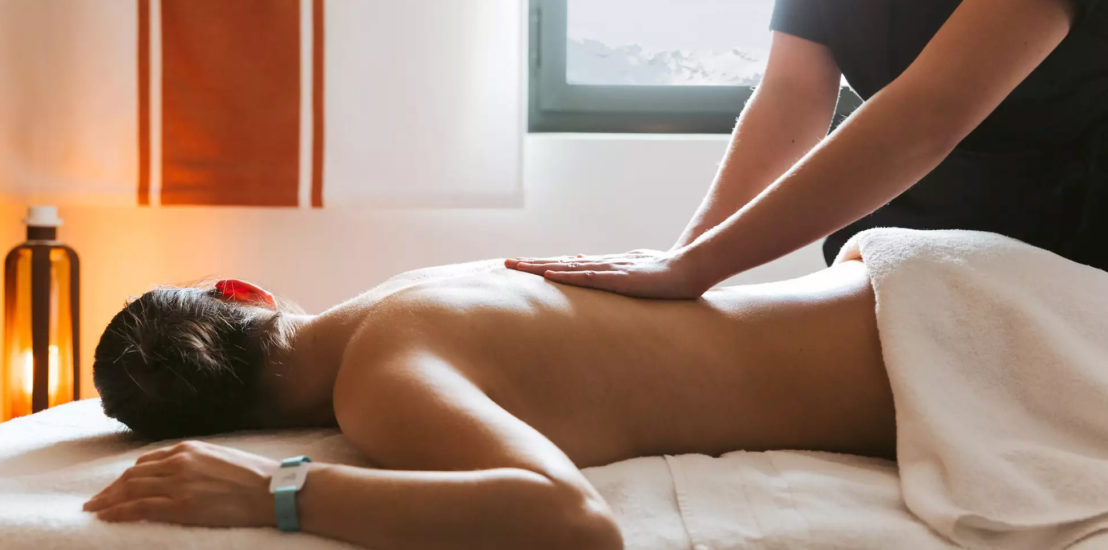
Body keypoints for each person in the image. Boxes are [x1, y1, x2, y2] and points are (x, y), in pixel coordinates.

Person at [84, 256, 892, 549]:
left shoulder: (382, 377)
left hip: (931, 347)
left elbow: (573, 522)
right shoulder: (408, 296)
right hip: (900, 288)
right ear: (244, 291)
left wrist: (273, 491)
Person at [507, 0, 1107, 298]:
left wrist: (695, 268)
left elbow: (926, 116)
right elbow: (790, 98)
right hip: (897, 259)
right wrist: (686, 260)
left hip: (1058, 267)